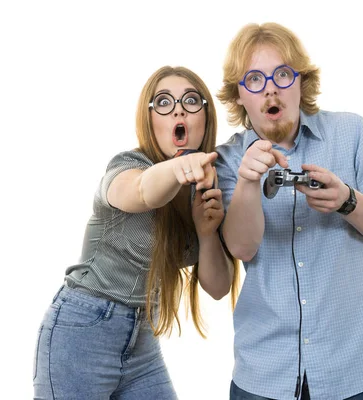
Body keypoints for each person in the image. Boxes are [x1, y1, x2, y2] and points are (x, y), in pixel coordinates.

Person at [214, 22, 363, 400]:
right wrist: (248, 182)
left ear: (301, 81)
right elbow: (241, 248)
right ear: (239, 95)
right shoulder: (228, 161)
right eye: (254, 79)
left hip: (355, 373)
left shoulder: (351, 133)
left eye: (282, 74)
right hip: (264, 376)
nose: (270, 88)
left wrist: (347, 201)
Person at [33, 65, 239, 400]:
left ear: (205, 115)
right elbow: (143, 191)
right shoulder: (128, 166)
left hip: (142, 339)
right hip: (82, 330)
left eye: (190, 100)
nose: (177, 110)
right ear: (151, 120)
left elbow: (218, 288)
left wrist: (206, 233)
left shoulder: (208, 187)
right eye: (163, 102)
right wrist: (176, 167)